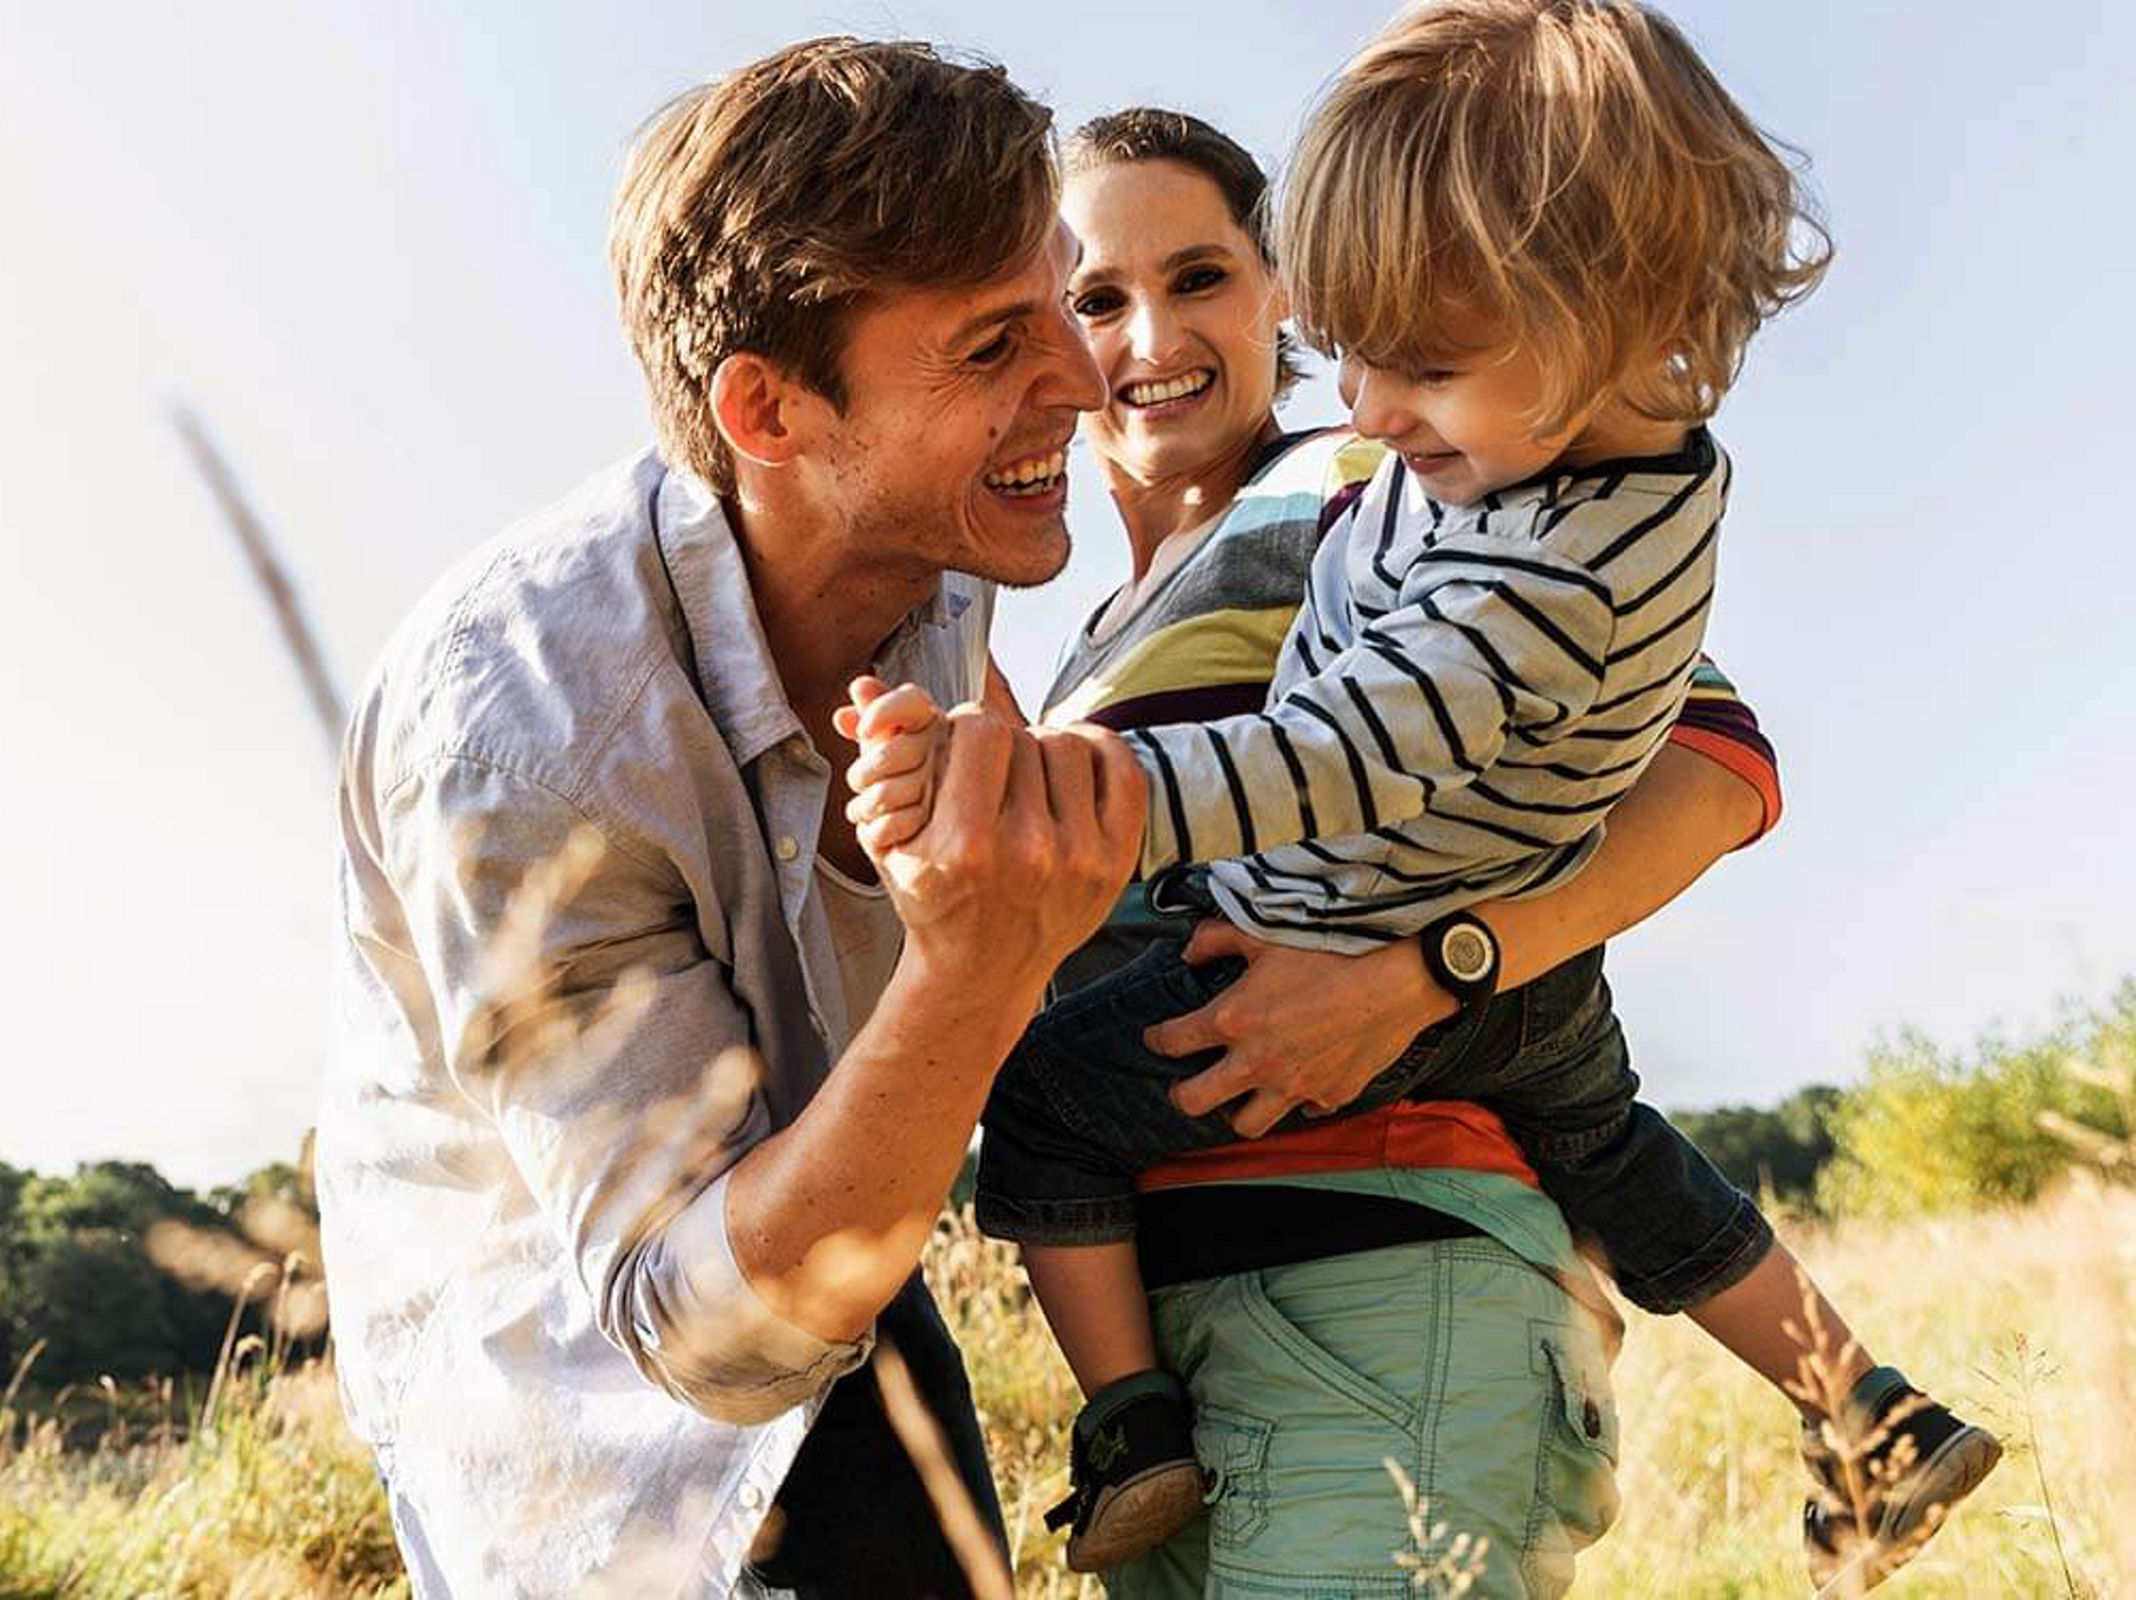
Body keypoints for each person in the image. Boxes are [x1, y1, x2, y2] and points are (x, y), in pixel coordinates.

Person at [848, 8, 1995, 1592]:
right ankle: (1859, 1412)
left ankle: (1132, 1422)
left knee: (1055, 1102)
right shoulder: (1101, 631)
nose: (1143, 336)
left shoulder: (1388, 484)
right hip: (1217, 1295)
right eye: (1088, 297)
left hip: (1380, 1257)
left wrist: (1427, 969)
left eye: (1200, 278)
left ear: (1284, 299)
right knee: (1624, 1147)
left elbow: (1711, 763)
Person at [315, 39, 1144, 1597]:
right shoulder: (523, 740)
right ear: (766, 411)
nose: (1084, 381)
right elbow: (697, 1334)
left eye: (1065, 304)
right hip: (576, 1412)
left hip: (834, 1255)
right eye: (991, 347)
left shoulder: (940, 549)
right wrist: (976, 973)